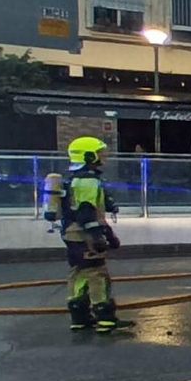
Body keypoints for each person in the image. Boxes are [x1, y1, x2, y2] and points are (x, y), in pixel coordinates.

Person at [60, 137, 128, 333]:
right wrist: (100, 237)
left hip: (71, 235)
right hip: (85, 236)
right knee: (97, 275)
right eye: (99, 153)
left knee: (77, 274)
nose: (102, 157)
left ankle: (79, 318)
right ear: (89, 156)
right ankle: (105, 319)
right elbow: (87, 211)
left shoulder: (73, 179)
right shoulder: (89, 181)